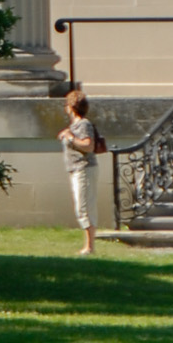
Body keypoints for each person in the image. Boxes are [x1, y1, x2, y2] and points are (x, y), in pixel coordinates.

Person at [61, 86, 102, 256]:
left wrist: (70, 137)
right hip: (76, 169)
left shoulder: (83, 124)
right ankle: (89, 245)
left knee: (84, 207)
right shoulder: (76, 125)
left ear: (71, 107)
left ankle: (90, 246)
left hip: (84, 168)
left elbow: (88, 145)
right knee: (82, 206)